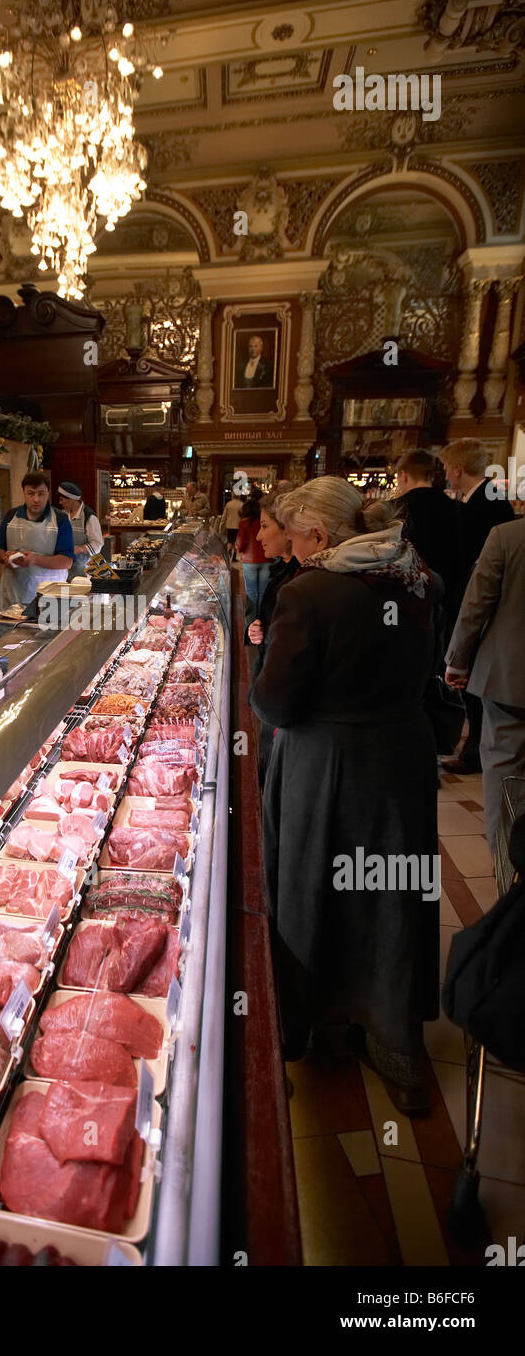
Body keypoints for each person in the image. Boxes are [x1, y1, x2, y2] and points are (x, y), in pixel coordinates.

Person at [250, 477, 440, 1114]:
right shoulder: (417, 579)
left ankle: (306, 1022)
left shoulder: (310, 592)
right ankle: (395, 1045)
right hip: (402, 761)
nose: (291, 549)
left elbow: (275, 700)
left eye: (295, 534)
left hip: (326, 763)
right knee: (389, 893)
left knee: (313, 888)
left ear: (320, 536)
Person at [445, 516, 525, 859]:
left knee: (505, 779)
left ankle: (509, 876)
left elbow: (477, 603)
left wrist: (457, 660)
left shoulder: (507, 536)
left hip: (511, 677)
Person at [438, 438, 516, 774]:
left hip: (484, 604)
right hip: (477, 599)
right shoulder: (479, 500)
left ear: (456, 469)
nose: (445, 475)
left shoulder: (487, 505)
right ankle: (475, 748)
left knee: (475, 680)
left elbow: (476, 567)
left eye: (446, 469)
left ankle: (475, 752)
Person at [246, 490, 299, 786]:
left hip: (280, 702)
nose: (258, 536)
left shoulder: (299, 581)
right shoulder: (282, 570)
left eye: (265, 526)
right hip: (271, 690)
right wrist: (259, 627)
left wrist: (262, 700)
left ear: (289, 530)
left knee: (273, 770)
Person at [393, 448, 465, 640]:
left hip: (404, 599)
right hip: (447, 598)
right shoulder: (457, 508)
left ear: (403, 475)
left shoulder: (393, 510)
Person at [0, 470, 74, 609]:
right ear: (23, 493)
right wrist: (5, 557)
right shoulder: (11, 515)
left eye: (41, 494)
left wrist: (35, 560)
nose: (36, 499)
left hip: (49, 597)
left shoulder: (60, 519)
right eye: (31, 493)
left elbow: (67, 561)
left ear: (48, 493)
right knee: (12, 631)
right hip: (13, 595)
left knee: (48, 630)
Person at [56, 480, 104, 579]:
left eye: (62, 499)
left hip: (87, 570)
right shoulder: (63, 515)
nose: (60, 502)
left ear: (71, 499)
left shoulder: (89, 517)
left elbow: (98, 544)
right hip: (68, 568)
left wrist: (80, 549)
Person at [235, 491, 269, 619]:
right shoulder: (263, 521)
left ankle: (250, 621)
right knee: (263, 591)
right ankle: (261, 619)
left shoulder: (244, 523)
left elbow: (240, 542)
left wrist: (238, 548)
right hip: (266, 558)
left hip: (249, 561)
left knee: (251, 593)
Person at [220, 486, 243, 554]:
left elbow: (224, 516)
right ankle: (234, 556)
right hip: (238, 526)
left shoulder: (229, 504)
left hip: (229, 526)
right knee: (236, 542)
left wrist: (221, 524)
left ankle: (229, 553)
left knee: (229, 541)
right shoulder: (241, 505)